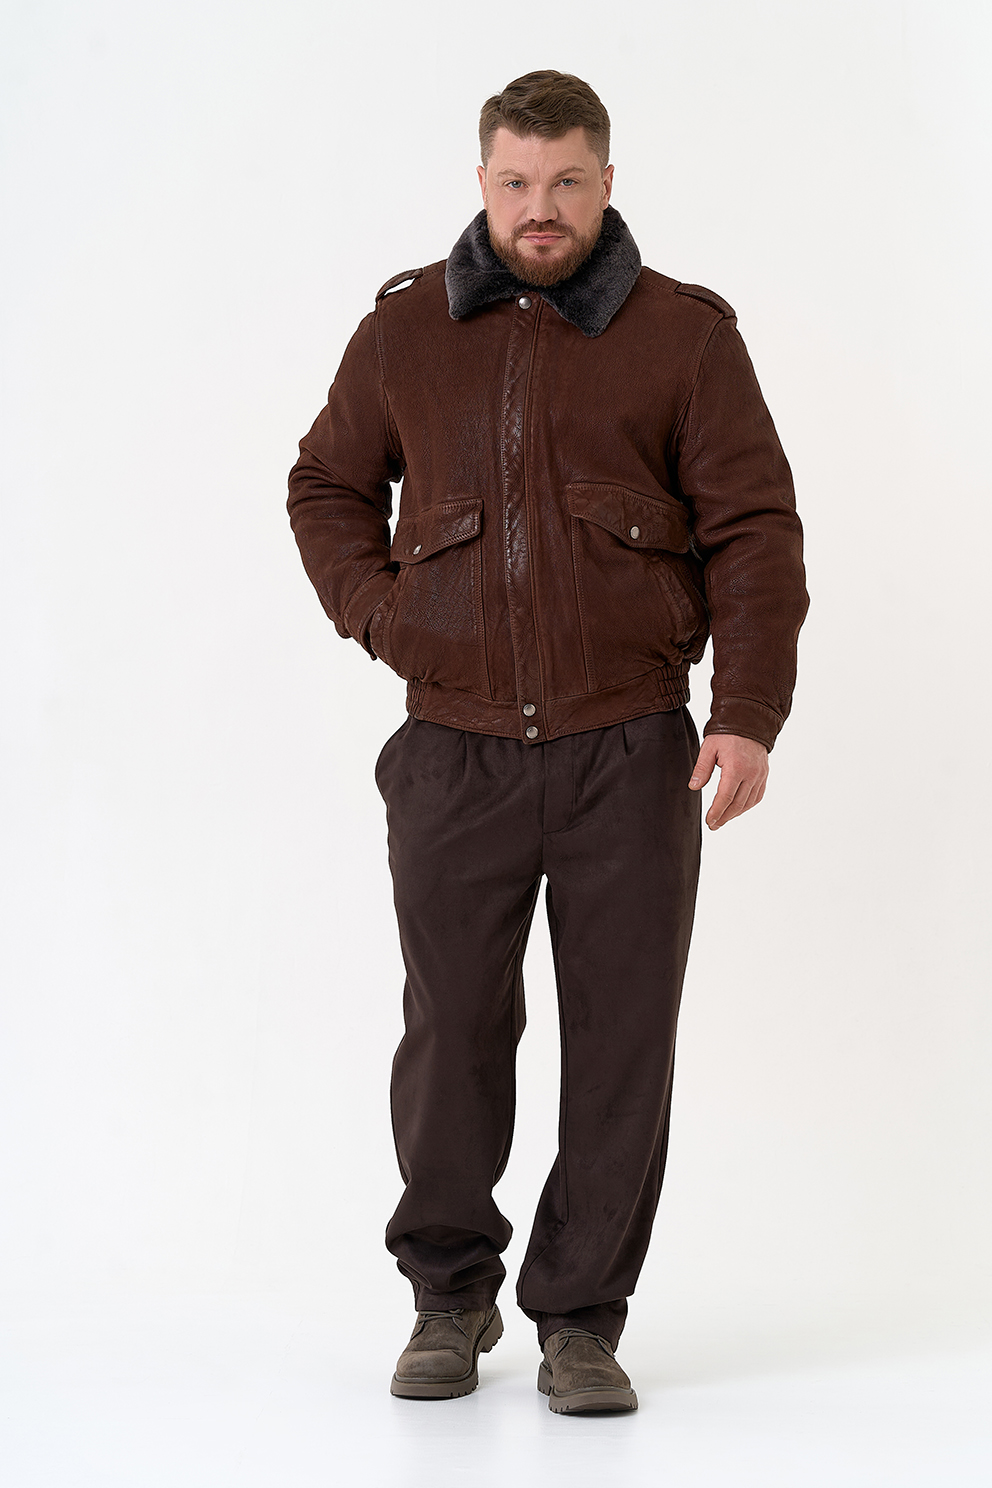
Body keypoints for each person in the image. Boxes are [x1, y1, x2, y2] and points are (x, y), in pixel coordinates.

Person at [287, 69, 808, 1414]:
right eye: (517, 181)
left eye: (567, 181)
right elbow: (327, 485)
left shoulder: (684, 336)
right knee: (451, 1035)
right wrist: (385, 616)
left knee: (624, 1043)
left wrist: (745, 712)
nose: (541, 207)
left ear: (606, 183)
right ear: (482, 182)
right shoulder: (405, 330)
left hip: (629, 749)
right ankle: (448, 1299)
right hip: (452, 751)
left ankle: (581, 1319)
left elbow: (755, 530)